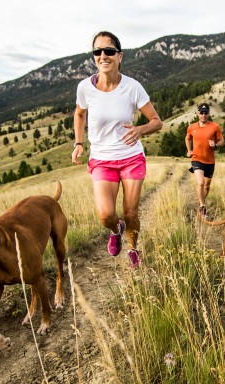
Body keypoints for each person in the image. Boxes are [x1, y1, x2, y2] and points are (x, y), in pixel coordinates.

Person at [72, 31, 162, 268]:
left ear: (119, 56)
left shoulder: (132, 87)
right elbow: (80, 113)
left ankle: (133, 248)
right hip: (101, 160)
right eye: (98, 52)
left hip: (131, 157)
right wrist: (78, 142)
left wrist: (141, 129)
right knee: (105, 215)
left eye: (109, 51)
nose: (103, 55)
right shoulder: (85, 88)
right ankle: (116, 229)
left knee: (130, 212)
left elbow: (156, 121)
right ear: (94, 57)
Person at [186, 103, 224, 218]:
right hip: (197, 159)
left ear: (208, 114)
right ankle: (202, 207)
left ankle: (200, 200)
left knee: (207, 186)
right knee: (200, 182)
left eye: (205, 113)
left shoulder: (215, 127)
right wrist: (189, 150)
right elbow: (187, 138)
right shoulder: (192, 127)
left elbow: (223, 142)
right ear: (197, 113)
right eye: (201, 113)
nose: (203, 115)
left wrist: (215, 145)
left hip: (210, 161)